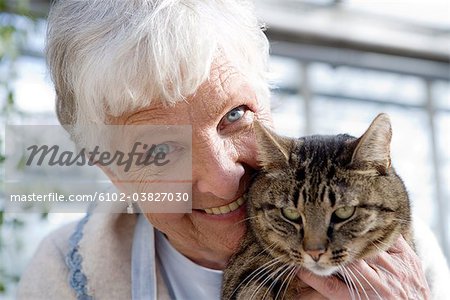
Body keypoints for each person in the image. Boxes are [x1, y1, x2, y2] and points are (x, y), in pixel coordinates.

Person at [17, 0, 446, 299]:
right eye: (163, 149)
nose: (224, 181)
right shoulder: (62, 275)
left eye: (235, 114)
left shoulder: (404, 252)